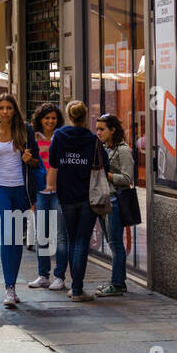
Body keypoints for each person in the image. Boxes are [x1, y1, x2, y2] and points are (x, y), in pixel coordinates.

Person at [0, 95, 40, 308]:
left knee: (17, 239)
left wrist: (29, 159)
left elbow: (36, 163)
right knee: (8, 236)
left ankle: (12, 286)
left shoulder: (25, 131)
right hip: (0, 189)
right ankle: (9, 288)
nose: (5, 111)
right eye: (2, 108)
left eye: (9, 108)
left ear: (14, 110)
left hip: (21, 191)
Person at [49, 100, 108, 301]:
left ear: (69, 116)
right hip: (87, 197)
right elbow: (104, 165)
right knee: (81, 242)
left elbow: (53, 161)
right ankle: (77, 289)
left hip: (65, 195)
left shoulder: (59, 136)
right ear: (85, 117)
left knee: (73, 239)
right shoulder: (93, 140)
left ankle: (75, 286)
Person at [27, 103, 69, 290]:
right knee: (41, 235)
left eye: (53, 118)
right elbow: (31, 165)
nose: (50, 121)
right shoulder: (34, 139)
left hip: (60, 191)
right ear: (40, 120)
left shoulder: (63, 137)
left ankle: (59, 276)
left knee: (61, 236)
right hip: (41, 192)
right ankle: (43, 275)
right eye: (47, 118)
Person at [94, 113, 134, 298]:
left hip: (116, 200)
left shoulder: (123, 150)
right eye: (97, 129)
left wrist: (105, 173)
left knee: (116, 243)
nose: (98, 132)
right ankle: (117, 281)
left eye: (102, 129)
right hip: (103, 200)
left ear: (113, 130)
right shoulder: (103, 148)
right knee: (111, 242)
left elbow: (127, 178)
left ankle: (118, 283)